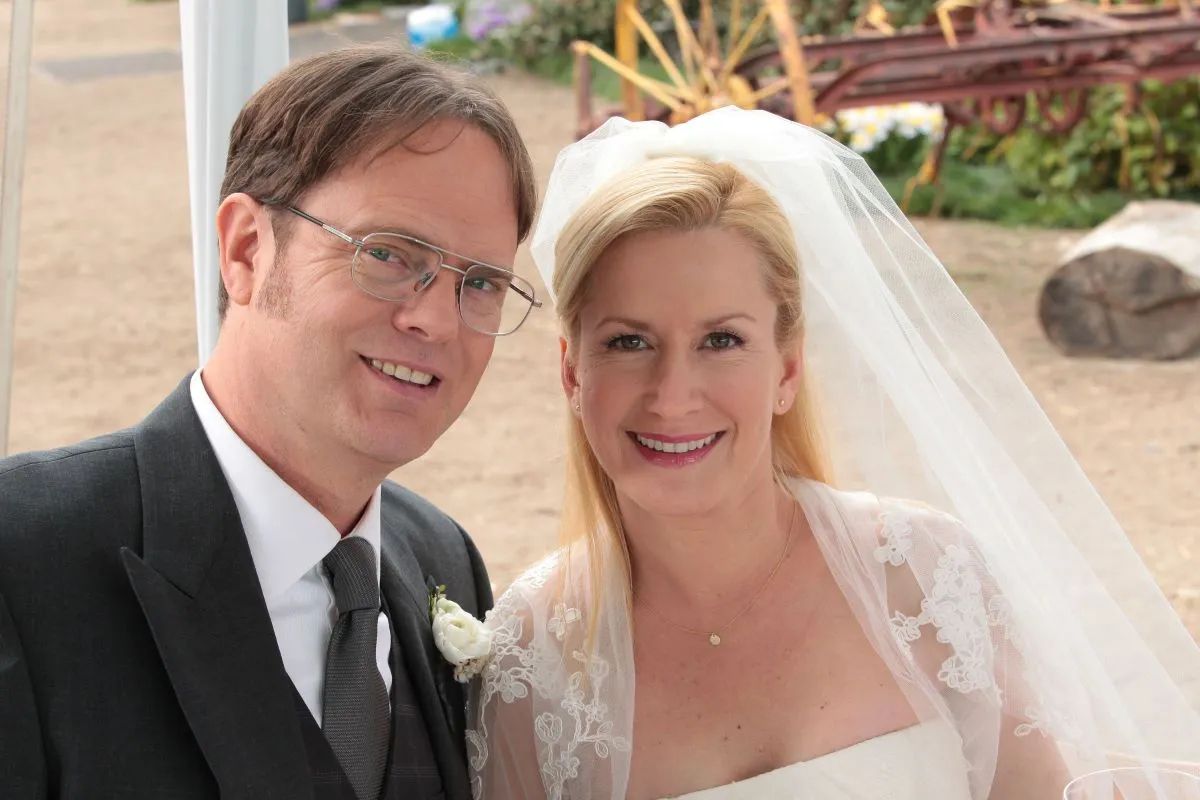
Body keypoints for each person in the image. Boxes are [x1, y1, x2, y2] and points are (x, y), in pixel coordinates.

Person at [468, 107, 1200, 799]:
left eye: (721, 340)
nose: (673, 394)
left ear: (787, 370)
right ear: (571, 371)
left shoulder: (924, 578)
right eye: (629, 342)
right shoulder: (530, 654)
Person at [0, 45, 538, 800]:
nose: (436, 320)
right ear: (245, 249)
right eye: (387, 253)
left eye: (479, 282)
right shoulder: (21, 556)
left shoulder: (443, 559)